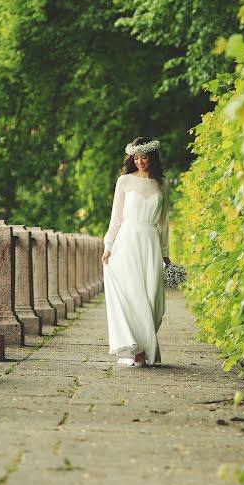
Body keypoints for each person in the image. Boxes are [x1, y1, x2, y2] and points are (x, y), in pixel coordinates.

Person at [101, 137, 171, 367]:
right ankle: (137, 350)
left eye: (144, 156)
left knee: (153, 299)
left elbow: (164, 223)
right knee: (133, 295)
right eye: (136, 157)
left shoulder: (162, 183)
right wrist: (109, 245)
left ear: (152, 157)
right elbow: (116, 217)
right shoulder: (124, 181)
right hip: (127, 241)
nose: (140, 161)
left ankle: (147, 344)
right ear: (132, 158)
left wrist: (164, 253)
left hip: (150, 242)